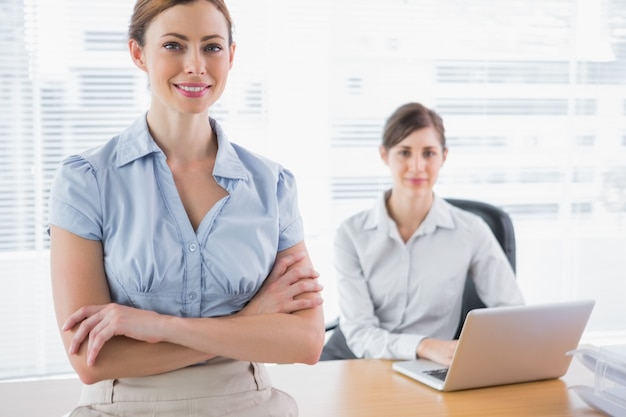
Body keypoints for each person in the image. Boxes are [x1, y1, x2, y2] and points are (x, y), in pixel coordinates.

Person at [48, 1, 325, 416]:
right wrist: (249, 323)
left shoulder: (273, 184)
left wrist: (158, 327)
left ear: (230, 56)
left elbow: (305, 342)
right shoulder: (87, 180)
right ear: (138, 54)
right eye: (174, 45)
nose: (195, 65)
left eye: (211, 47)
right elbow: (92, 358)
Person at [332, 102, 524, 366]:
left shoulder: (471, 231)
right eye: (404, 152)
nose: (417, 166)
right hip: (358, 359)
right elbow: (359, 332)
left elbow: (512, 313)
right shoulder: (351, 234)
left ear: (444, 156)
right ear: (384, 155)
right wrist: (423, 345)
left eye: (429, 153)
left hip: (430, 366)